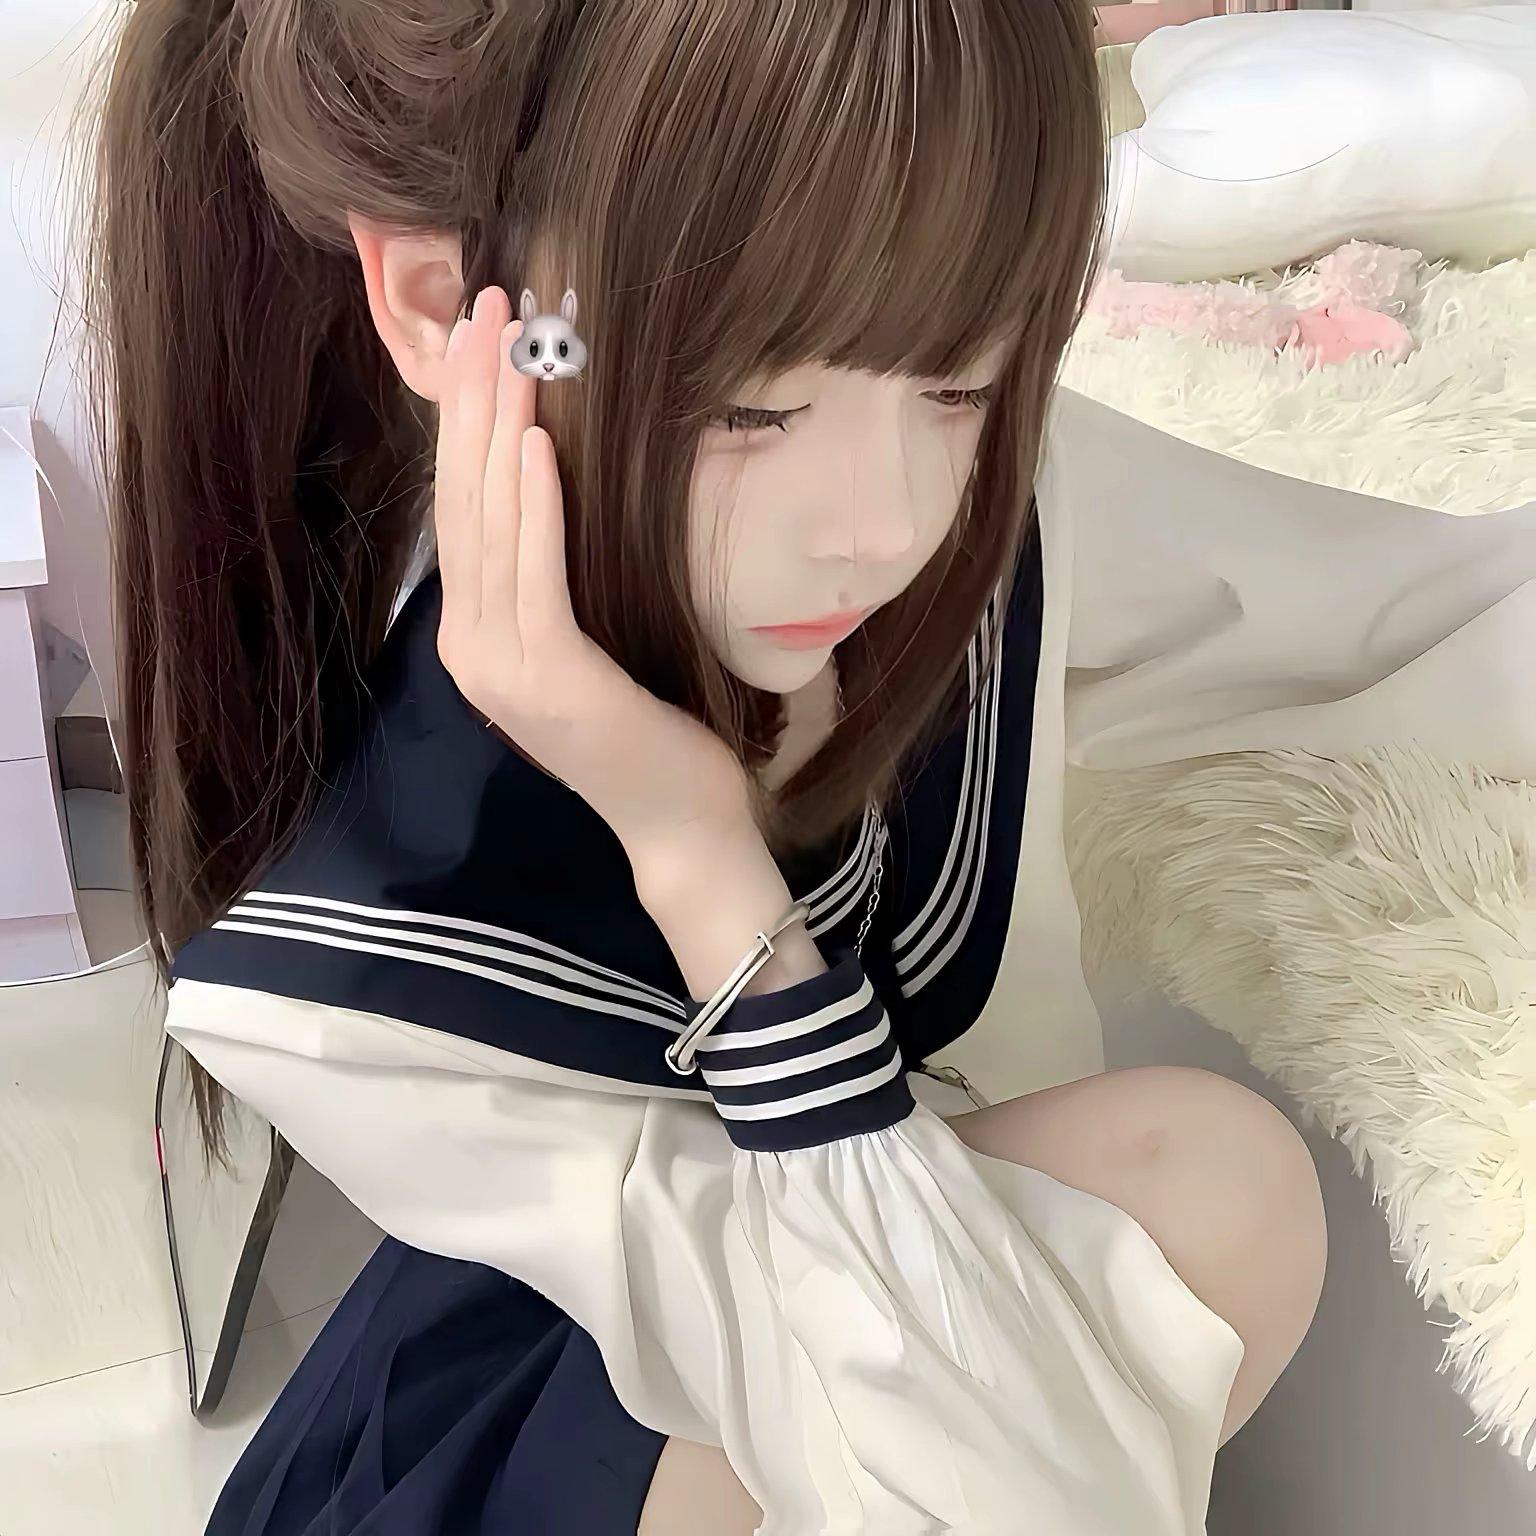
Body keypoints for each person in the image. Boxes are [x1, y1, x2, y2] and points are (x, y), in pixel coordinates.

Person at [81, 0, 1325, 1531]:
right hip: (535, 1455)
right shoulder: (338, 977)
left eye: (962, 379)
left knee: (1215, 1186)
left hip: (818, 1307)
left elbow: (1409, 609)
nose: (881, 519)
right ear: (445, 306)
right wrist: (699, 862)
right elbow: (991, 1495)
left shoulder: (977, 495)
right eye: (750, 404)